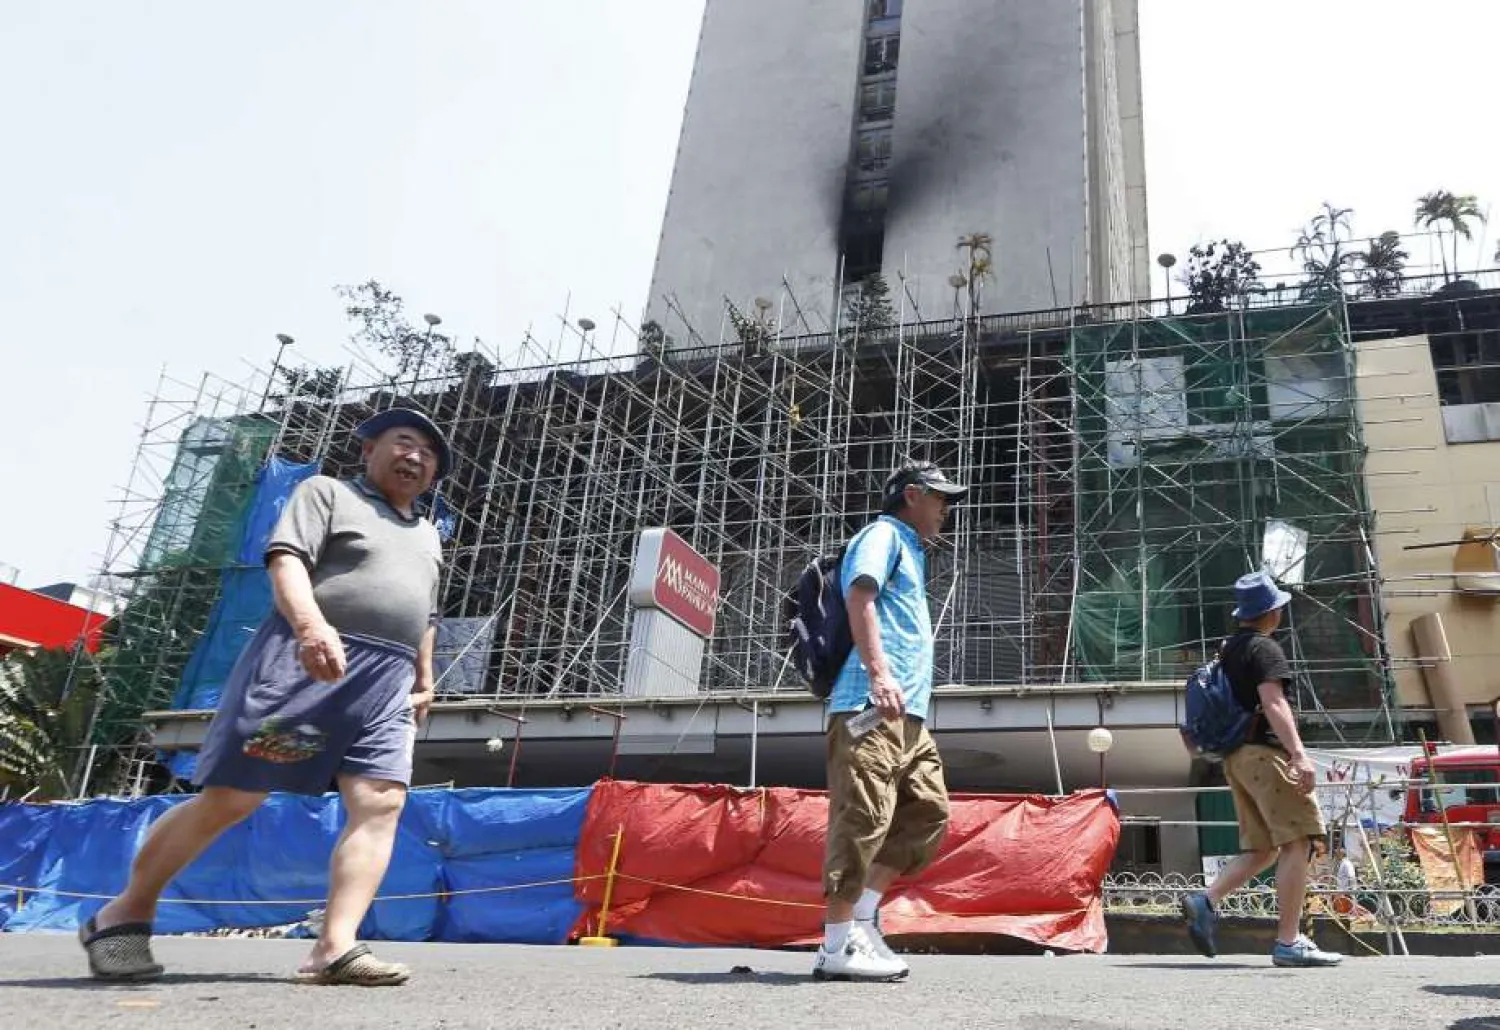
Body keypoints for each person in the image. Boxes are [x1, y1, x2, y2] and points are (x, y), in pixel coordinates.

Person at [79, 408, 451, 986]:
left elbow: (424, 612)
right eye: (406, 442)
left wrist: (424, 678)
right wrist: (311, 627)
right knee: (235, 797)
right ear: (370, 448)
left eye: (430, 455)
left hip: (387, 682)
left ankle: (335, 947)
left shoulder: (428, 534)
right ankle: (123, 914)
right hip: (311, 663)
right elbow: (287, 562)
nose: (417, 457)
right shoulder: (325, 492)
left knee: (381, 803)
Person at [813, 460, 967, 982]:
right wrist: (879, 674)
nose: (947, 509)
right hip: (868, 705)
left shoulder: (914, 552)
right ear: (911, 495)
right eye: (941, 497)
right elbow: (860, 596)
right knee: (862, 819)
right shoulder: (882, 535)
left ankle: (861, 916)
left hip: (908, 716)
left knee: (928, 810)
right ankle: (836, 945)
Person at [1179, 570, 1342, 967]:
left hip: (1236, 759)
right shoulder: (1265, 650)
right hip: (1266, 756)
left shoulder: (1228, 650)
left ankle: (1206, 900)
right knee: (1299, 841)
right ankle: (1289, 941)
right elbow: (1274, 702)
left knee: (1264, 848)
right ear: (1273, 612)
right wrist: (1299, 754)